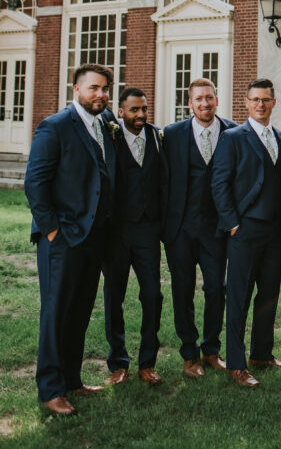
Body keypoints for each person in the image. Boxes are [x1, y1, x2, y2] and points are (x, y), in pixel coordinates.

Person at [24, 63, 118, 416]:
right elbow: (35, 183)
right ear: (75, 89)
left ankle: (72, 378)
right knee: (56, 312)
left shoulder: (105, 125)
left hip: (95, 237)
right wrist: (52, 230)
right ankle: (50, 388)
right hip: (62, 238)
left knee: (79, 310)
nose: (101, 94)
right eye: (94, 88)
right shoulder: (55, 126)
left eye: (105, 88)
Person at [212, 78, 281, 388]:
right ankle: (236, 362)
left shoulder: (279, 137)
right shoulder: (233, 138)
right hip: (244, 231)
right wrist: (232, 224)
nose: (261, 104)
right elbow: (219, 184)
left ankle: (262, 353)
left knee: (269, 295)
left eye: (266, 99)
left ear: (273, 103)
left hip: (274, 231)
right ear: (245, 103)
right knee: (239, 297)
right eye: (255, 99)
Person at [162, 78, 236, 378]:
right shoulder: (172, 134)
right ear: (189, 103)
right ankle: (189, 353)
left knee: (216, 289)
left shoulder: (233, 131)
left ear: (216, 99)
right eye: (198, 99)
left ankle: (211, 350)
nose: (204, 103)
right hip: (180, 228)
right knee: (183, 290)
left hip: (216, 228)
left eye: (209, 97)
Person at [102, 88, 165, 386]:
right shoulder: (109, 137)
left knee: (152, 295)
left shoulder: (157, 137)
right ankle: (118, 362)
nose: (140, 115)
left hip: (148, 232)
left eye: (144, 109)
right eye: (134, 110)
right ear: (120, 111)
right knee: (114, 297)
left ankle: (147, 363)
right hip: (115, 233)